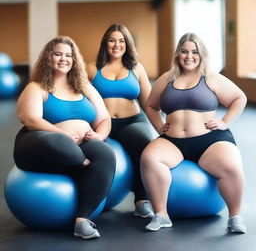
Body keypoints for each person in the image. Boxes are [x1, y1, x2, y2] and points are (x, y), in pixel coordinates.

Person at [140, 33, 247, 233]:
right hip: (173, 141)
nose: (189, 56)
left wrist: (224, 121)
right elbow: (151, 105)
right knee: (149, 157)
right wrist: (158, 126)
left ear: (201, 54)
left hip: (210, 141)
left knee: (232, 166)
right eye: (184, 51)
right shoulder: (167, 78)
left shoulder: (211, 78)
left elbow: (239, 98)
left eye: (194, 52)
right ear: (178, 54)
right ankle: (161, 215)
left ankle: (234, 217)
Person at [13, 36, 116, 240]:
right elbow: (30, 119)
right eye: (58, 54)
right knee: (58, 142)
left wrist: (99, 135)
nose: (63, 59)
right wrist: (63, 135)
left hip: (81, 143)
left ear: (74, 60)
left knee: (106, 154)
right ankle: (80, 163)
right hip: (41, 143)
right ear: (48, 58)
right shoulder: (37, 87)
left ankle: (83, 220)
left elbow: (104, 118)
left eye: (68, 55)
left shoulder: (85, 87)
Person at [87, 23, 154, 218]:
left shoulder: (137, 68)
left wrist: (161, 127)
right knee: (97, 155)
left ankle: (142, 200)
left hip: (132, 121)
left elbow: (149, 103)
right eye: (112, 40)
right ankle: (91, 201)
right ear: (105, 43)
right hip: (102, 124)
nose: (117, 45)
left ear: (128, 44)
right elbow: (78, 97)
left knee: (143, 144)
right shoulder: (92, 68)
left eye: (122, 40)